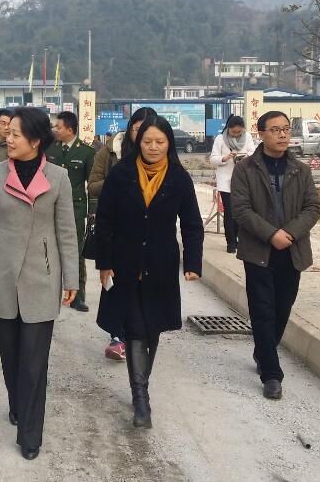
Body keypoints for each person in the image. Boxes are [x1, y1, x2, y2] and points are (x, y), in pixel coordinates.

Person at [0, 106, 78, 460]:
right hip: (1, 276)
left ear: (35, 139)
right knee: (10, 353)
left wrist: (71, 277)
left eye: (15, 133)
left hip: (42, 278)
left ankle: (30, 435)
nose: (8, 138)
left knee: (34, 361)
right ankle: (17, 403)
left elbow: (66, 233)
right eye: (7, 132)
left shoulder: (58, 178)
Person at [94, 114, 204, 429]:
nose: (153, 147)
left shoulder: (179, 178)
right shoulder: (121, 173)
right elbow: (105, 220)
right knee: (135, 328)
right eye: (147, 141)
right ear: (137, 142)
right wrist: (104, 262)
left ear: (169, 144)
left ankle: (140, 384)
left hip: (160, 265)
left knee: (152, 328)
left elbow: (192, 224)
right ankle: (141, 397)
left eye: (159, 141)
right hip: (125, 263)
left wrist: (192, 263)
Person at [231, 111, 320, 401]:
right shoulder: (245, 169)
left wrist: (289, 234)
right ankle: (271, 374)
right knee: (262, 310)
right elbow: (241, 210)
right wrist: (271, 235)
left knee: (282, 308)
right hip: (259, 251)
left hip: (292, 250)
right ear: (261, 134)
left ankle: (263, 350)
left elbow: (313, 208)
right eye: (275, 130)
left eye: (286, 129)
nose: (283, 134)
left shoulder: (300, 170)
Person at [86, 107, 151, 361]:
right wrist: (118, 179)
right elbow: (93, 186)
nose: (143, 134)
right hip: (116, 230)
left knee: (144, 287)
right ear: (130, 128)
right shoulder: (110, 152)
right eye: (138, 129)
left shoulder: (160, 158)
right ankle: (118, 336)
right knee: (117, 284)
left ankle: (139, 334)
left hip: (146, 234)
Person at [46, 110, 96, 312]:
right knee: (48, 250)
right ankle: (49, 293)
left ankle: (78, 296)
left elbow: (92, 185)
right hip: (49, 207)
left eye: (58, 127)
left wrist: (92, 212)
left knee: (75, 252)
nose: (55, 130)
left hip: (75, 209)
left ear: (70, 129)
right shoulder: (49, 149)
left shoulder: (87, 152)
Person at [209, 115, 258, 254]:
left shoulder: (247, 137)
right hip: (226, 181)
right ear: (228, 129)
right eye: (233, 132)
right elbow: (213, 159)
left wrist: (245, 157)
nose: (236, 134)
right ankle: (231, 243)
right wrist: (224, 158)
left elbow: (253, 153)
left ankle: (239, 240)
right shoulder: (220, 139)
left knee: (241, 211)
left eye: (239, 132)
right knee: (230, 212)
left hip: (243, 181)